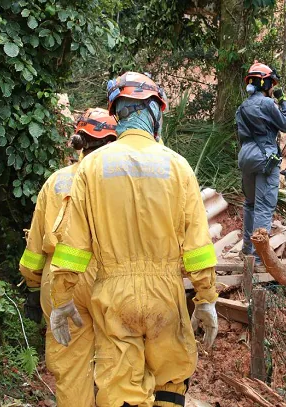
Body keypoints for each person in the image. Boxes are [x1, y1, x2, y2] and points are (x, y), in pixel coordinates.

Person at [48, 72, 219, 407]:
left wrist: (61, 297)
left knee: (121, 390)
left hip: (114, 297)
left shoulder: (91, 167)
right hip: (166, 297)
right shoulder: (178, 166)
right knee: (171, 379)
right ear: (155, 111)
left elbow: (73, 247)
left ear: (118, 113)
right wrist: (206, 297)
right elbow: (198, 245)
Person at [19, 108, 118, 406]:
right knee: (116, 361)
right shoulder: (120, 183)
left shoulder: (56, 182)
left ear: (78, 142)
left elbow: (36, 243)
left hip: (62, 280)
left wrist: (33, 284)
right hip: (110, 278)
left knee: (71, 366)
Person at [236, 61, 286, 261]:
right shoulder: (268, 103)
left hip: (246, 155)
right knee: (264, 207)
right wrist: (284, 101)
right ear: (265, 83)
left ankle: (246, 251)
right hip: (265, 157)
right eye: (271, 84)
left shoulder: (243, 106)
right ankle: (259, 257)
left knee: (250, 204)